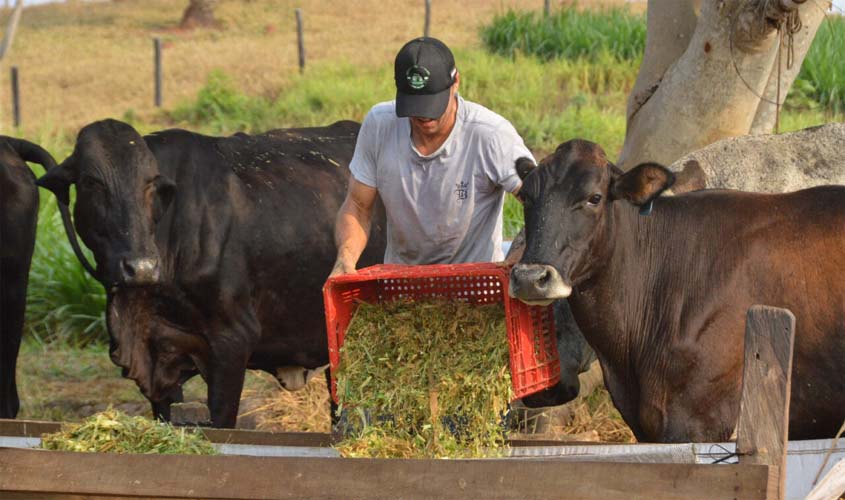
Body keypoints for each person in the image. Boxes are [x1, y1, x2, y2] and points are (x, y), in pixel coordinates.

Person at [330, 37, 535, 276]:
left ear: (455, 82)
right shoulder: (379, 125)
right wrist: (345, 257)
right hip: (402, 286)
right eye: (414, 106)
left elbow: (543, 202)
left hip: (476, 285)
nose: (424, 117)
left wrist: (521, 250)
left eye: (431, 104)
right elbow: (357, 205)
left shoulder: (489, 135)